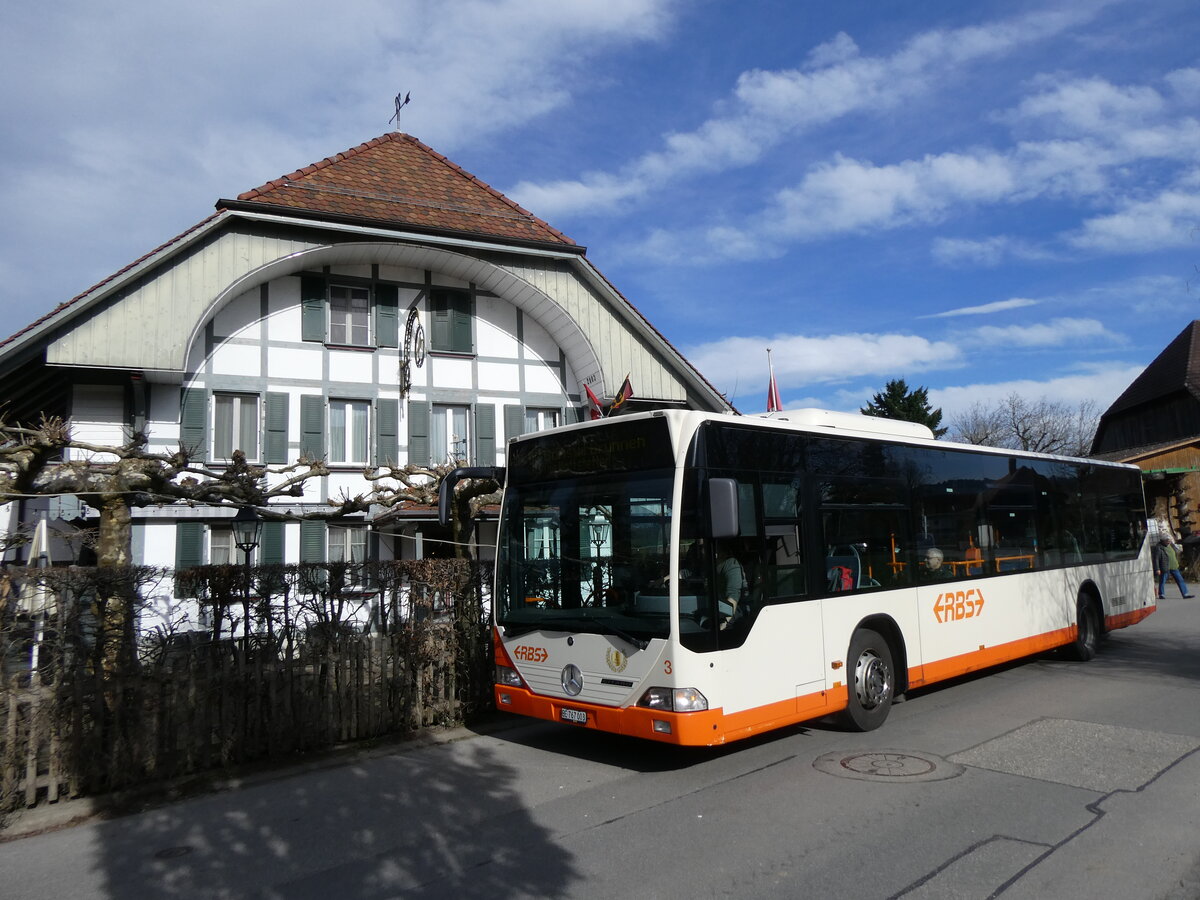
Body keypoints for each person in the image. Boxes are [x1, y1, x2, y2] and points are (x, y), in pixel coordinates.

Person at [715, 544, 747, 617]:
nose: (702, 551)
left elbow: (733, 598)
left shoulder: (731, 564)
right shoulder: (712, 566)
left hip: (735, 610)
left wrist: (723, 625)